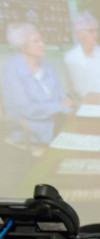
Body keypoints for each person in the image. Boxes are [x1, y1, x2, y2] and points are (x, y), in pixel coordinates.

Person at [2, 22, 74, 152]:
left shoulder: (48, 65)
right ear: (23, 47)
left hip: (56, 121)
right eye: (36, 41)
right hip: (31, 129)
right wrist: (60, 106)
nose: (43, 44)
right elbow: (26, 109)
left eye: (41, 40)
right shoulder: (12, 71)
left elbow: (62, 95)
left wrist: (67, 109)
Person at [63, 12, 100, 97]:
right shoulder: (72, 57)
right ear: (79, 33)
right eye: (91, 31)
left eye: (96, 30)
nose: (96, 35)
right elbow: (80, 90)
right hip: (92, 103)